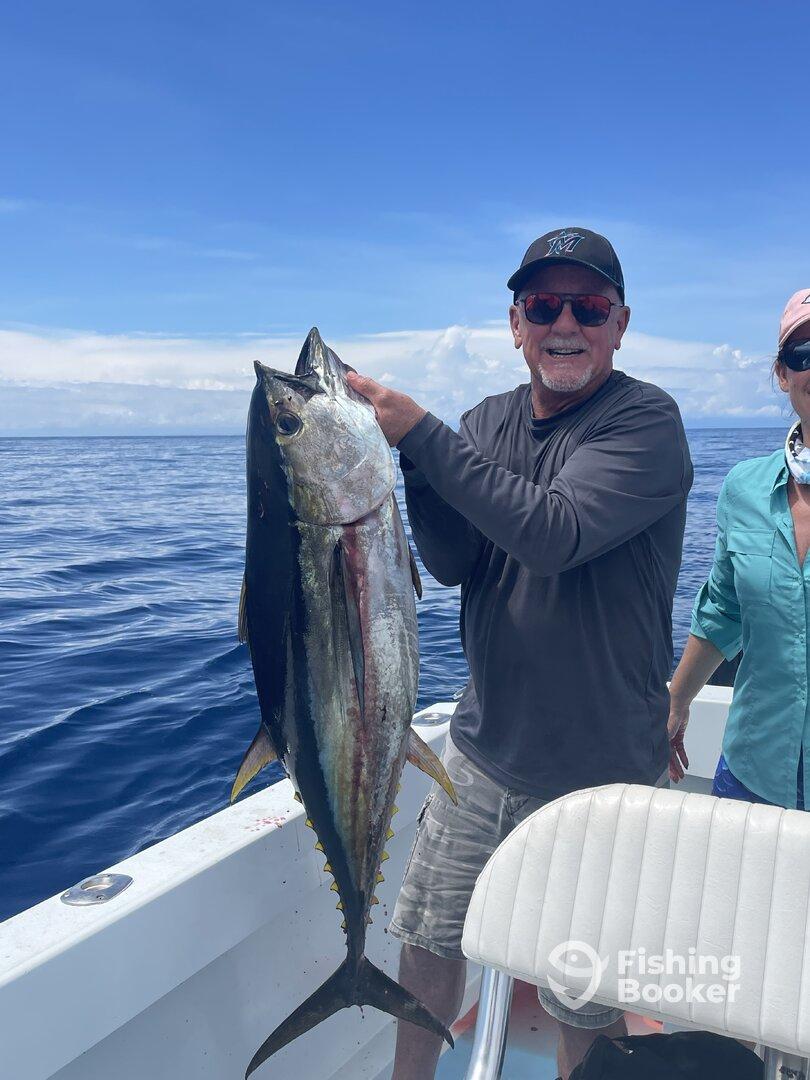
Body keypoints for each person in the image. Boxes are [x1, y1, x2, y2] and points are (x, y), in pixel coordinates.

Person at [346, 227, 693, 1080]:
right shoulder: (485, 423)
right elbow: (458, 562)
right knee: (428, 939)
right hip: (481, 752)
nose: (564, 322)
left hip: (601, 771)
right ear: (515, 323)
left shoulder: (646, 421)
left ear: (620, 324)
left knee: (582, 990)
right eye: (544, 305)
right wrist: (421, 473)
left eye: (588, 306)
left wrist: (423, 439)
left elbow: (555, 535)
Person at [669, 288, 810, 811]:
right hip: (751, 773)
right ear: (782, 375)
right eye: (804, 354)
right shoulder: (743, 488)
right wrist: (677, 703)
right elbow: (723, 610)